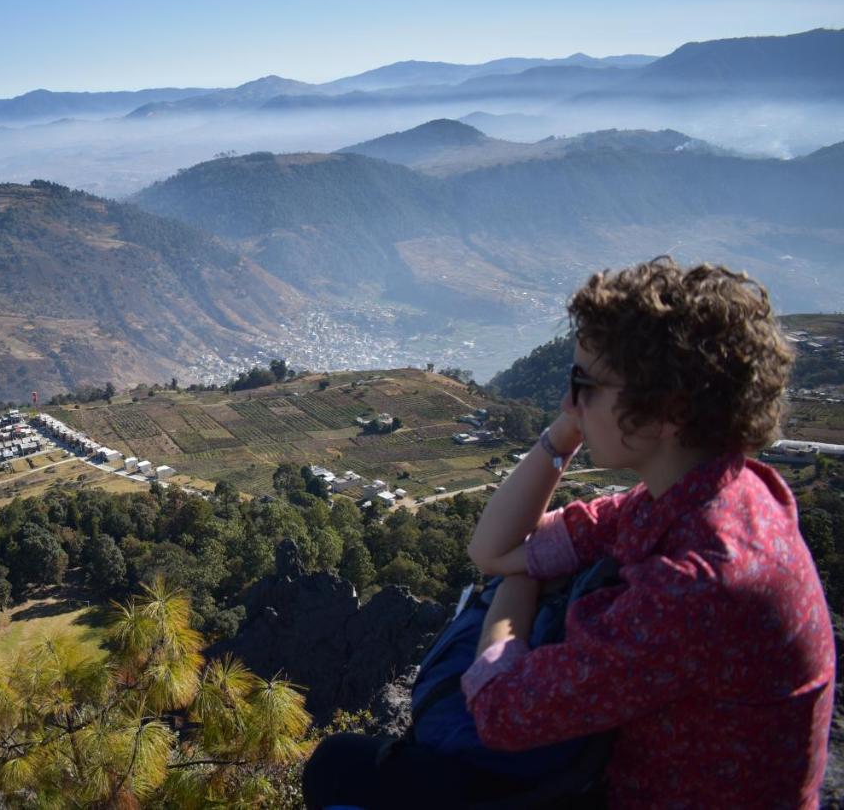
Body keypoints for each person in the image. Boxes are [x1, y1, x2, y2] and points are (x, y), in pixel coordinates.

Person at [303, 258, 834, 809]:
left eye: (583, 384)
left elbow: (500, 706)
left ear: (667, 411)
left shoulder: (698, 581)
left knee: (339, 772)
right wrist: (563, 436)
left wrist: (515, 591)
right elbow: (494, 548)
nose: (567, 402)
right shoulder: (722, 491)